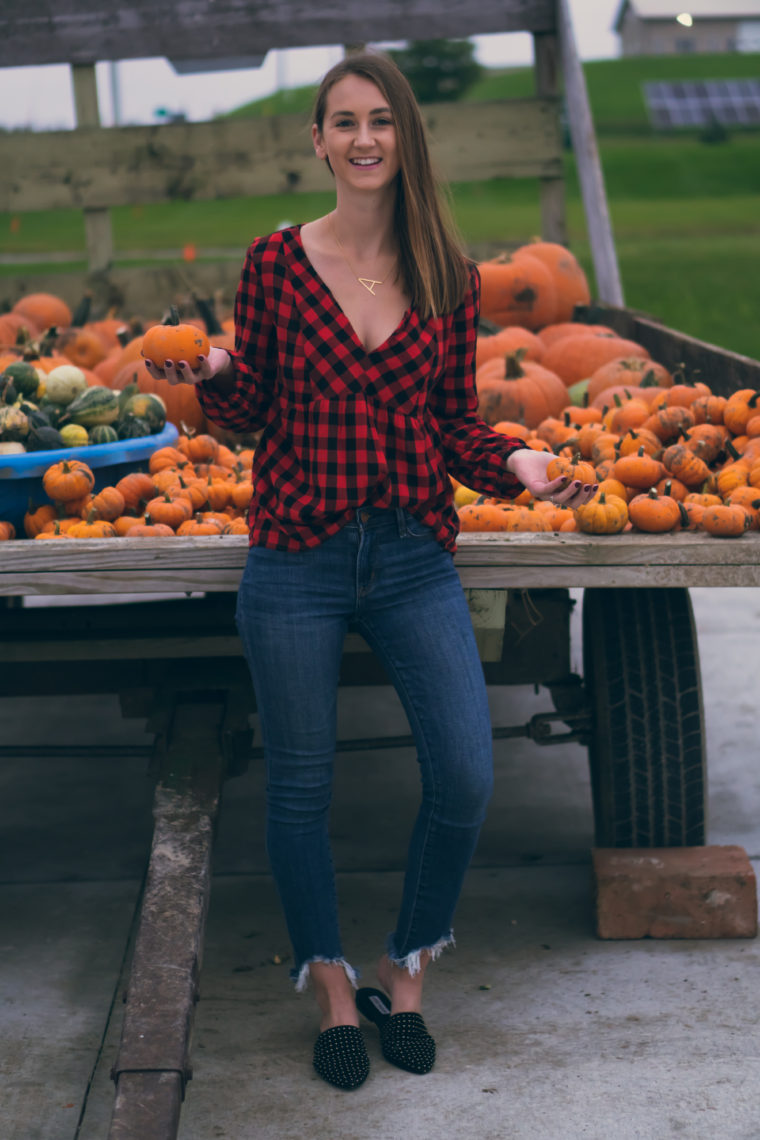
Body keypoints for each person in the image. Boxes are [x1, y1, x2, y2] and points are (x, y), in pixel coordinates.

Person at [143, 50, 597, 1091]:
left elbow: (451, 426)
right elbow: (254, 408)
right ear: (316, 140)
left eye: (380, 121)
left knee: (466, 775)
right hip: (296, 556)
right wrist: (213, 373)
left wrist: (519, 461)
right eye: (342, 121)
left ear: (404, 138)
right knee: (300, 788)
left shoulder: (445, 273)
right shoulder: (275, 263)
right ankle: (336, 994)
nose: (362, 139)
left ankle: (407, 971)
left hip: (409, 556)